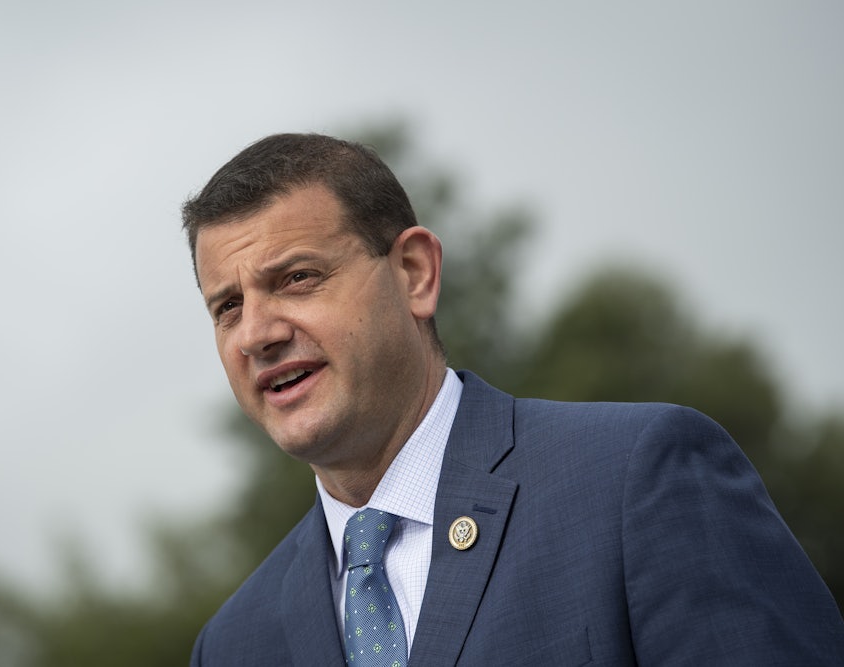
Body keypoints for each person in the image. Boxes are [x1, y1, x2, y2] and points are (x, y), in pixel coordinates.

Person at [183, 133, 844, 666]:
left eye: (297, 278)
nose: (258, 334)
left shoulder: (634, 480)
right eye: (228, 306)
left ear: (415, 273)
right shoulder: (233, 641)